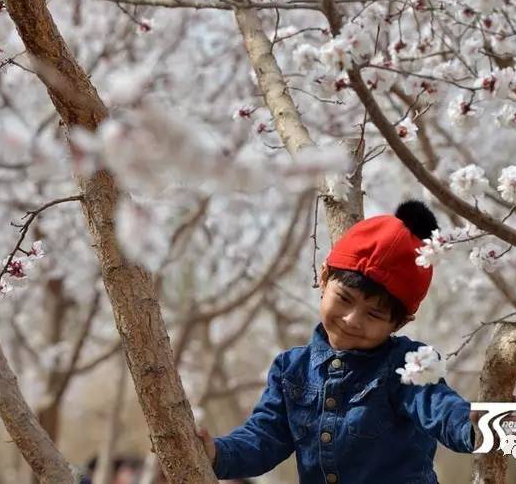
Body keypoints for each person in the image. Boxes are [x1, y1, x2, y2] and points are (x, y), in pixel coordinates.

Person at [197, 201, 480, 483]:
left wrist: (487, 426)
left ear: (400, 322)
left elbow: (443, 410)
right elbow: (264, 437)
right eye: (344, 299)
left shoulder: (409, 365)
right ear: (323, 277)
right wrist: (217, 454)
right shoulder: (290, 369)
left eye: (373, 314)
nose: (352, 320)